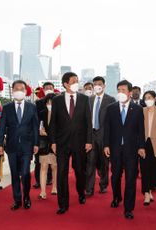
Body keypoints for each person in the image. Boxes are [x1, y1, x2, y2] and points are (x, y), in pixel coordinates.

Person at [50, 72, 92, 215]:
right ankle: (63, 204)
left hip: (80, 142)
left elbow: (88, 122)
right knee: (62, 172)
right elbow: (53, 124)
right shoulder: (57, 100)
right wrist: (53, 142)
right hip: (62, 143)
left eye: (77, 80)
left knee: (80, 171)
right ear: (66, 84)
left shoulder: (84, 99)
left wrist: (89, 141)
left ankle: (81, 192)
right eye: (73, 81)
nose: (76, 83)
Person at [104, 80, 145, 220]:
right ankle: (116, 197)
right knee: (115, 177)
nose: (121, 92)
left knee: (131, 179)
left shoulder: (138, 109)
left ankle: (129, 208)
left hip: (131, 150)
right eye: (119, 90)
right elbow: (107, 129)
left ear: (129, 92)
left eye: (123, 90)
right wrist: (106, 145)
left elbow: (141, 130)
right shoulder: (111, 108)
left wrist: (141, 147)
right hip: (115, 149)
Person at [0, 80, 39, 210]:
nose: (19, 91)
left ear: (26, 92)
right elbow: (2, 127)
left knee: (26, 173)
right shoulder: (7, 108)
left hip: (27, 146)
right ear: (12, 90)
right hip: (12, 146)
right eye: (16, 89)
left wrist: (36, 144)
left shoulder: (32, 107)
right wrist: (0, 144)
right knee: (15, 174)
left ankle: (26, 196)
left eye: (22, 89)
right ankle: (17, 199)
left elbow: (35, 127)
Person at [86, 76, 115, 196]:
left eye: (99, 84)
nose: (97, 86)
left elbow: (113, 121)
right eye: (95, 84)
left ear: (104, 86)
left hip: (104, 135)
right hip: (91, 134)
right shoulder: (89, 99)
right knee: (90, 162)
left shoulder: (111, 100)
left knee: (103, 163)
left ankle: (103, 184)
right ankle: (89, 188)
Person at [33, 82, 54, 189]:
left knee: (52, 160)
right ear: (43, 90)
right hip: (42, 136)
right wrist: (39, 129)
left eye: (51, 87)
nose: (49, 89)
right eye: (47, 88)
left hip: (54, 137)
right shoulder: (38, 103)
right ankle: (38, 181)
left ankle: (50, 178)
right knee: (39, 161)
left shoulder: (58, 101)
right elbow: (36, 119)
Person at [38, 93, 58, 199]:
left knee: (54, 167)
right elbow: (39, 126)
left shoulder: (60, 114)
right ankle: (43, 191)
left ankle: (54, 187)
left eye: (52, 102)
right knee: (44, 166)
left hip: (56, 144)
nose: (49, 104)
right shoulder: (42, 113)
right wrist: (40, 131)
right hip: (44, 144)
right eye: (48, 102)